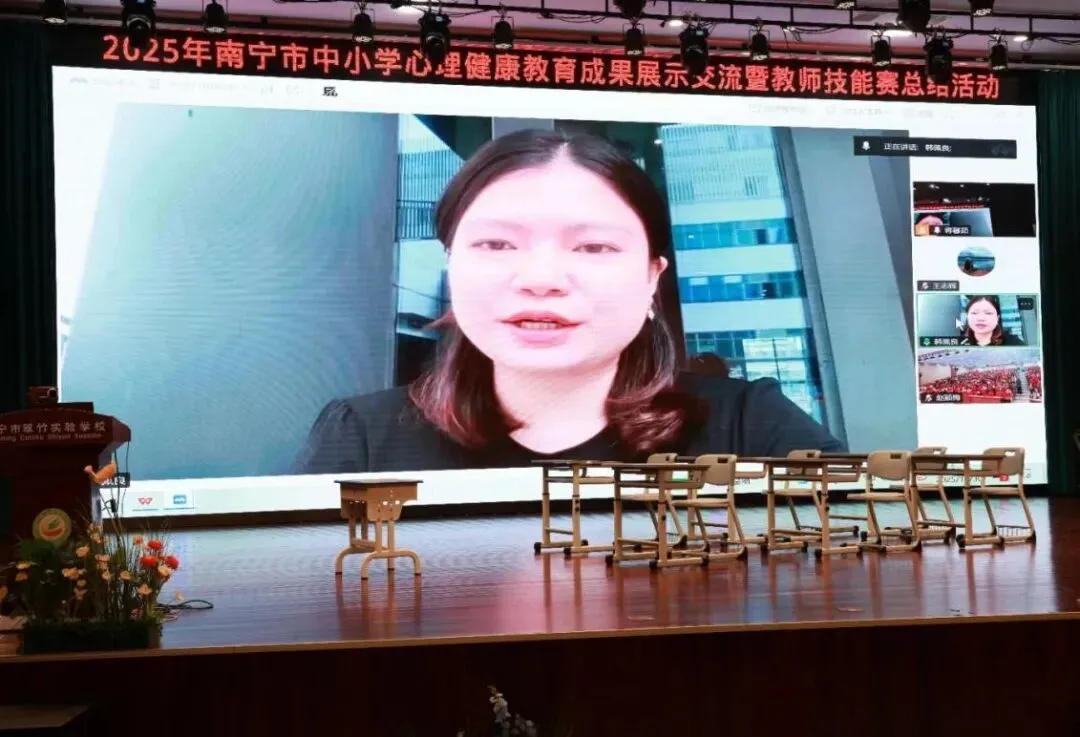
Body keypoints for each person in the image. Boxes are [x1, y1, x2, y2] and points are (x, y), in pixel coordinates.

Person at [297, 128, 845, 474]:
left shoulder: (752, 426)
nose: (541, 279)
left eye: (593, 247)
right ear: (452, 264)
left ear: (651, 277)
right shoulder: (363, 437)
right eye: (496, 244)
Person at [958, 295, 1025, 346]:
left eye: (988, 313)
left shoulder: (1013, 343)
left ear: (997, 318)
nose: (981, 318)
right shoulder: (958, 343)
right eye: (974, 313)